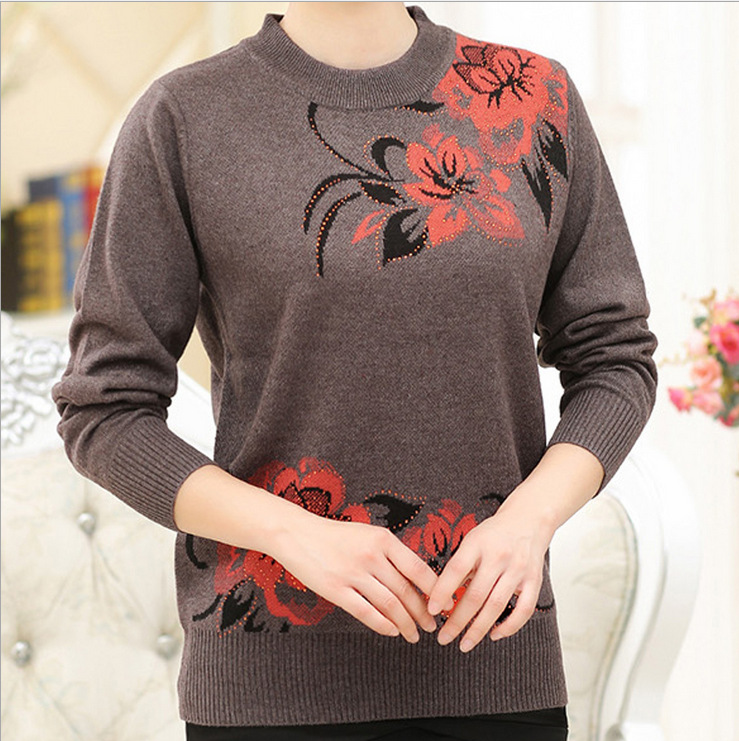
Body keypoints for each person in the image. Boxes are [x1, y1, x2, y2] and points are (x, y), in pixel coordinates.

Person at [51, 2, 659, 740]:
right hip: (269, 682)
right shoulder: (184, 118)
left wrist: (530, 521)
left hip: (493, 666)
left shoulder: (533, 97)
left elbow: (614, 357)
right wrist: (290, 533)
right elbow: (104, 410)